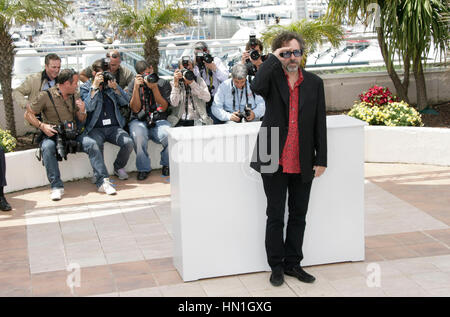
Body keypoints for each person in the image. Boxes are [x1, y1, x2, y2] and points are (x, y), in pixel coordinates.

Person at [250, 31, 327, 287]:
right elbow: (255, 86)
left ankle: (294, 263)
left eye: (296, 52)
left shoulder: (315, 83)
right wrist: (272, 58)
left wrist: (322, 158)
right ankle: (276, 266)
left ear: (302, 55)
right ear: (279, 55)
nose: (292, 57)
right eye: (286, 53)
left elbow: (320, 124)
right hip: (272, 154)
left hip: (303, 158)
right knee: (275, 215)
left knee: (298, 214)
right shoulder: (271, 79)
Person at [24, 69, 88, 200]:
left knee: (92, 144)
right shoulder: (45, 95)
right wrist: (42, 126)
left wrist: (82, 110)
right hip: (53, 134)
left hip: (72, 134)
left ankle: (102, 180)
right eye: (75, 83)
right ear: (66, 83)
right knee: (47, 148)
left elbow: (81, 119)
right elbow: (28, 114)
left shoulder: (75, 95)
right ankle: (56, 187)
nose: (77, 85)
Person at [80, 59, 134, 194]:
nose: (104, 76)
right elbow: (88, 107)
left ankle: (118, 167)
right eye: (100, 74)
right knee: (96, 145)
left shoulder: (111, 84)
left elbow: (126, 101)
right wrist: (95, 87)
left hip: (114, 127)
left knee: (128, 142)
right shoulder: (86, 87)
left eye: (106, 72)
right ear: (93, 73)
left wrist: (116, 88)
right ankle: (100, 175)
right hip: (95, 127)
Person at [128, 60, 172, 180]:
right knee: (138, 135)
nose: (147, 77)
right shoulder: (134, 84)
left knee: (170, 135)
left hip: (158, 120)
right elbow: (135, 108)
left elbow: (163, 107)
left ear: (152, 69)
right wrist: (137, 88)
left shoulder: (163, 83)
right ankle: (143, 168)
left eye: (148, 73)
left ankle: (167, 164)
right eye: (144, 75)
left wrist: (154, 88)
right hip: (139, 120)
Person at [192, 41, 229, 124]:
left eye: (202, 54)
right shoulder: (194, 64)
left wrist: (215, 69)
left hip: (215, 99)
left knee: (215, 121)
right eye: (198, 55)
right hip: (200, 99)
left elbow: (225, 78)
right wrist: (194, 64)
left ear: (208, 52)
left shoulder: (215, 60)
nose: (201, 57)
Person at [169, 56, 213, 127]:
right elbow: (174, 103)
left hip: (198, 120)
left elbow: (207, 98)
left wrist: (192, 84)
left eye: (189, 69)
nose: (187, 72)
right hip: (179, 120)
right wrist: (176, 85)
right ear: (179, 70)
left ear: (193, 69)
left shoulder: (199, 80)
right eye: (184, 70)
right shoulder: (174, 82)